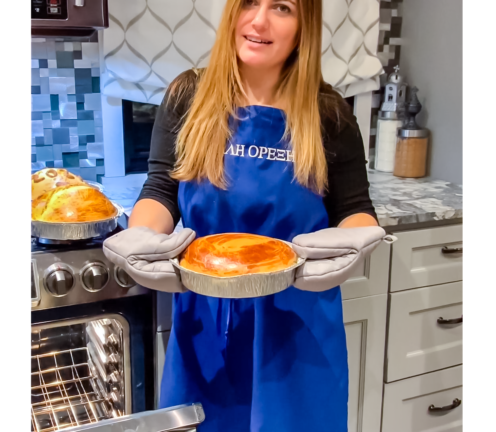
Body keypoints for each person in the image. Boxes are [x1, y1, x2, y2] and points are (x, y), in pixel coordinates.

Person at [103, 0, 389, 430]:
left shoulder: (329, 112)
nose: (259, 21)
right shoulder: (188, 96)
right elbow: (162, 190)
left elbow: (354, 211)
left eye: (282, 7)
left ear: (302, 26)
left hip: (299, 327)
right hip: (206, 322)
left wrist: (354, 245)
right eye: (250, 3)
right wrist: (141, 236)